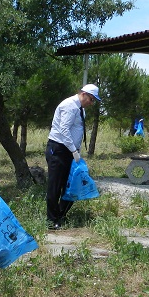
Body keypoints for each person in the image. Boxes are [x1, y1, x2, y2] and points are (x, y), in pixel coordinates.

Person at [45, 83, 101, 229]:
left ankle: (60, 216)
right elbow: (64, 130)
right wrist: (73, 150)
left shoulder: (80, 109)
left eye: (94, 100)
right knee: (55, 186)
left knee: (71, 185)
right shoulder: (69, 105)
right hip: (59, 149)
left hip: (70, 151)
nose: (91, 103)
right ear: (83, 94)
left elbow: (77, 131)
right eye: (91, 99)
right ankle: (51, 221)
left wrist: (76, 150)